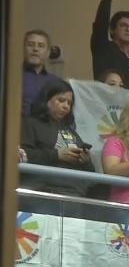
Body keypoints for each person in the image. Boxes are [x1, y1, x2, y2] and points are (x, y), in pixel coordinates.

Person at [19, 79, 95, 215]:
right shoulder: (30, 124)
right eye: (61, 100)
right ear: (46, 100)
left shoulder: (73, 133)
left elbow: (91, 173)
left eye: (69, 103)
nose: (66, 106)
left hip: (74, 199)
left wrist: (85, 161)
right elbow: (22, 155)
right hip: (40, 196)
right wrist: (57, 155)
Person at [22, 29, 57, 116]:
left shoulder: (55, 81)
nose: (35, 49)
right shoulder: (11, 77)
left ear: (48, 52)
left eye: (41, 46)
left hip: (46, 128)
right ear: (23, 48)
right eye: (30, 45)